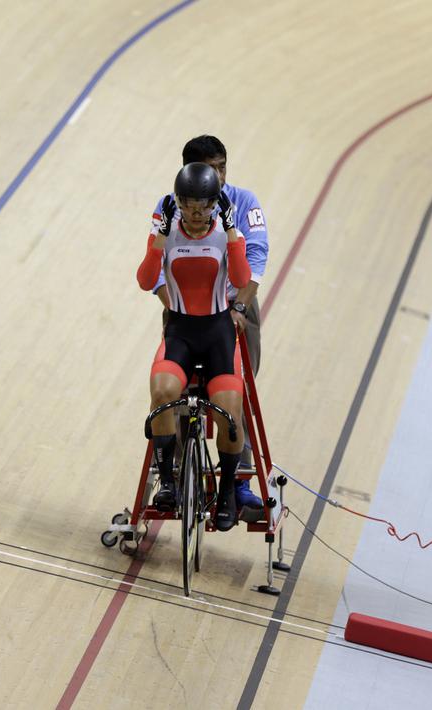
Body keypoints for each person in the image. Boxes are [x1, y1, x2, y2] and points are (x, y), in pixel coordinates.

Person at [152, 135, 268, 513]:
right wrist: (173, 306)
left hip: (235, 307)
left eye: (223, 166)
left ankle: (239, 485)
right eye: (211, 167)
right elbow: (155, 270)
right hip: (186, 311)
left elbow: (257, 255)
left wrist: (238, 307)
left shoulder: (244, 201)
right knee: (178, 396)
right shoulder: (172, 204)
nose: (219, 174)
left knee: (237, 395)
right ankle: (184, 477)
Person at [138, 162, 252, 531]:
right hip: (181, 334)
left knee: (230, 415)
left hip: (218, 334)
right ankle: (169, 482)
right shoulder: (168, 234)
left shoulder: (225, 234)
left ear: (215, 204)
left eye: (204, 205)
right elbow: (144, 280)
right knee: (162, 394)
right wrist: (157, 239)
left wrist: (233, 234)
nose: (197, 213)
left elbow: (240, 278)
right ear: (179, 203)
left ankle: (226, 496)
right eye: (189, 205)